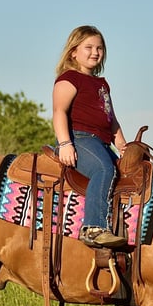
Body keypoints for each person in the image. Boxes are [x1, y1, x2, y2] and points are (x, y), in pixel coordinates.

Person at [52, 25, 128, 249]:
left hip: (103, 142)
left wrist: (123, 145)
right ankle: (93, 228)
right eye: (89, 47)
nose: (95, 52)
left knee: (129, 172)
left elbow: (111, 119)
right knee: (104, 170)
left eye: (100, 48)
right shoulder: (69, 79)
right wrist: (65, 144)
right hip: (79, 138)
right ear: (73, 51)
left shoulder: (102, 84)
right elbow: (59, 112)